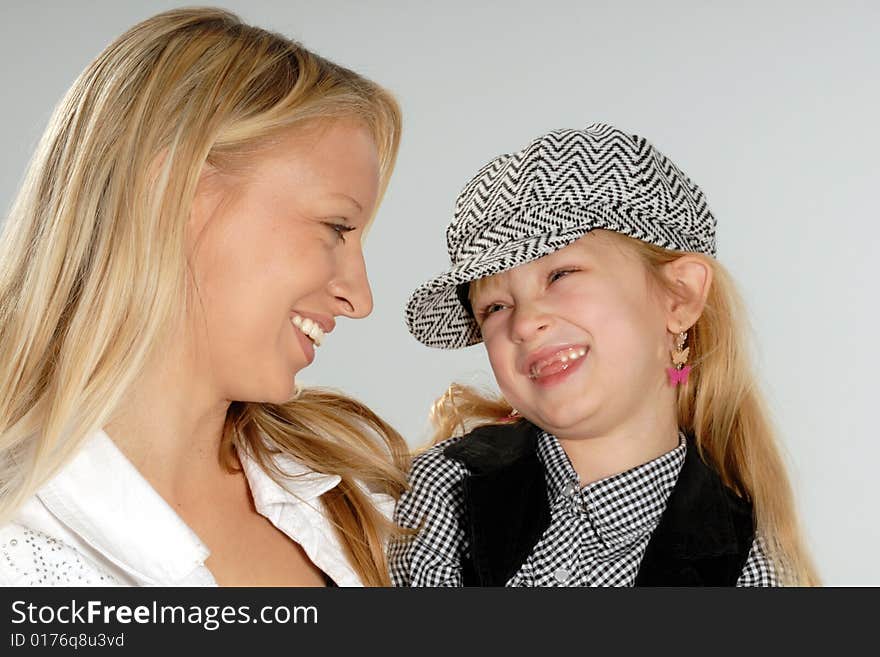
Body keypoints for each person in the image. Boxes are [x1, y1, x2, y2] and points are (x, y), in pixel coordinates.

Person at [0, 7, 409, 587]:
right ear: (171, 192)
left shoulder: (361, 500)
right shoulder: (22, 557)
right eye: (336, 228)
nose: (359, 297)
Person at [392, 123, 818, 586]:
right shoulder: (445, 491)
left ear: (678, 297)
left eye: (560, 274)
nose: (524, 322)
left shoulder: (745, 565)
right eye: (495, 307)